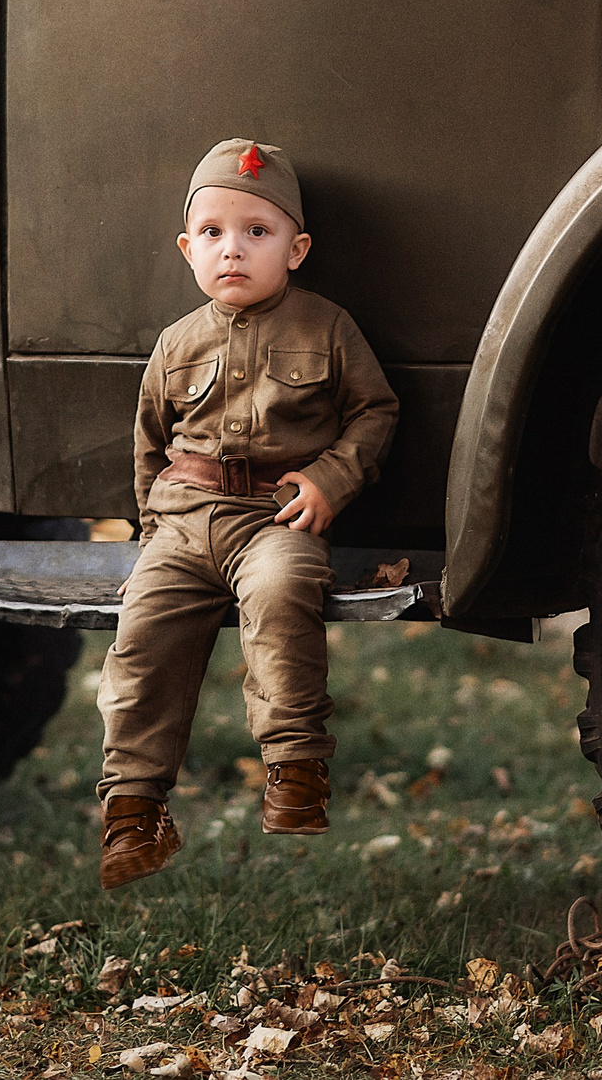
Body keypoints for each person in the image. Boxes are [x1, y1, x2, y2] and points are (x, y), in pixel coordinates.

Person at [95, 138, 399, 890]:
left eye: (256, 233)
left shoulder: (327, 326)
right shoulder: (176, 344)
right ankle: (134, 808)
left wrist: (331, 479)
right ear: (187, 250)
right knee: (142, 638)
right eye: (213, 234)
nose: (233, 250)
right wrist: (152, 532)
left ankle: (295, 769)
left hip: (273, 519)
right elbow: (148, 442)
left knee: (283, 589)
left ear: (295, 249)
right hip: (183, 521)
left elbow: (375, 411)